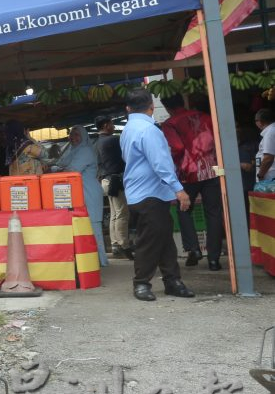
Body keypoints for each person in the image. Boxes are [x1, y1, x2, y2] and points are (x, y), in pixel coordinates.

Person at [121, 88, 194, 301]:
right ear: (151, 107)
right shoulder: (149, 130)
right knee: (150, 240)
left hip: (139, 191)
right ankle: (142, 283)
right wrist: (179, 190)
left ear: (127, 108)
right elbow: (160, 164)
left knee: (163, 238)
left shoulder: (128, 129)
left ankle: (172, 280)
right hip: (151, 192)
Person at [159, 94, 225, 271]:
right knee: (214, 213)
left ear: (167, 108)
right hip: (212, 169)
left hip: (188, 172)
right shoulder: (205, 117)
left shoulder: (170, 123)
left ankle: (194, 249)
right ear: (184, 102)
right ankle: (214, 259)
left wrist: (173, 160)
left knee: (184, 209)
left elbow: (177, 147)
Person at [53, 125, 108, 267]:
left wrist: (57, 169)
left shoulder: (86, 151)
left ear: (84, 136)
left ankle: (101, 260)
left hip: (89, 191)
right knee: (84, 227)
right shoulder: (72, 151)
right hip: (79, 192)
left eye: (77, 135)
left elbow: (71, 170)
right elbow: (59, 165)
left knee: (93, 227)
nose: (73, 138)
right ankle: (91, 260)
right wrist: (57, 168)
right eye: (71, 135)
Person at [95, 116, 133, 260]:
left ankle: (115, 243)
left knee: (115, 214)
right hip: (114, 180)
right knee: (122, 213)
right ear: (105, 125)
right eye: (111, 124)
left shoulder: (97, 142)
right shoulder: (113, 140)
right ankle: (124, 245)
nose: (113, 126)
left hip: (105, 180)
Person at [255, 108, 275, 184]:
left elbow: (268, 158)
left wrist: (260, 175)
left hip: (270, 179)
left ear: (259, 122)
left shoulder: (270, 133)